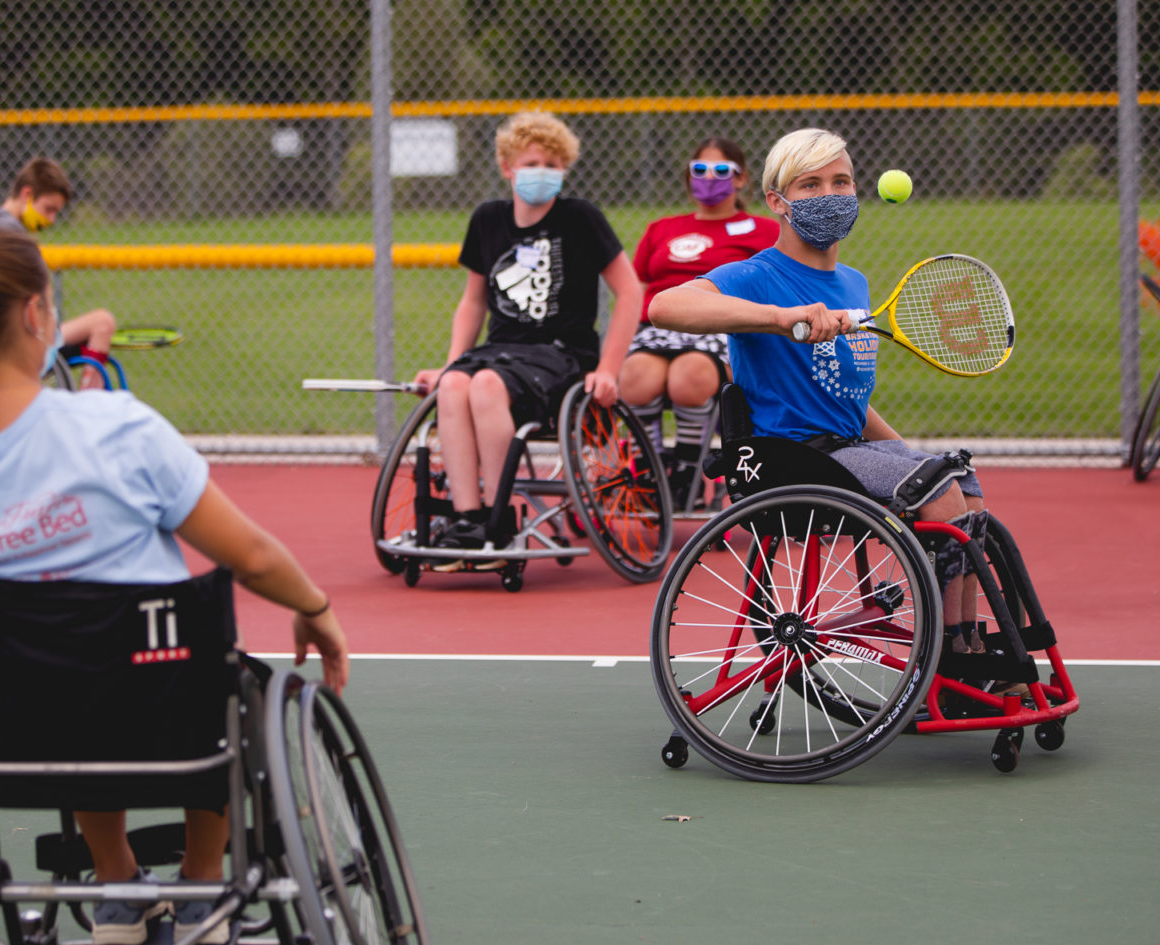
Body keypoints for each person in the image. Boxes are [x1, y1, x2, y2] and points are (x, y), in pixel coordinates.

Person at [0, 224, 348, 945]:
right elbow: (248, 553)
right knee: (206, 679)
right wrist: (315, 608)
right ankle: (201, 880)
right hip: (169, 715)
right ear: (35, 316)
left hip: (11, 732)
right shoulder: (120, 429)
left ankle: (118, 886)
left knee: (65, 683)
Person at [647, 127, 989, 656]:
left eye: (841, 182)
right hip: (790, 460)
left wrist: (906, 453)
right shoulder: (755, 275)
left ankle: (969, 640)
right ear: (777, 202)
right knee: (938, 489)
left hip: (845, 453)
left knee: (963, 484)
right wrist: (779, 319)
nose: (829, 195)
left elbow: (846, 399)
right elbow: (666, 306)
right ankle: (947, 657)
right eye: (810, 185)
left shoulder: (854, 283)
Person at [412, 112, 643, 567]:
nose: (544, 172)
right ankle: (468, 518)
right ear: (507, 167)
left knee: (485, 386)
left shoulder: (580, 218)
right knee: (456, 385)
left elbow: (630, 291)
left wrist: (609, 369)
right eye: (533, 162)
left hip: (561, 353)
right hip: (501, 351)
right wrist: (451, 363)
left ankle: (498, 522)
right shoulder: (488, 219)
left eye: (554, 165)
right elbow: (473, 302)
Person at [622, 137, 778, 507]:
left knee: (689, 376)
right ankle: (651, 472)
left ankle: (687, 477)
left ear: (740, 179)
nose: (710, 178)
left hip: (720, 330)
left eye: (721, 170)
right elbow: (637, 289)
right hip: (657, 329)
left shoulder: (762, 231)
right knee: (634, 378)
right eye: (700, 170)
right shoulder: (662, 228)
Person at [0, 156, 118, 389]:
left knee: (101, 324)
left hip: (28, 336)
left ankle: (87, 404)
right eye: (48, 209)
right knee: (103, 323)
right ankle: (88, 410)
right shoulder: (8, 233)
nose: (51, 219)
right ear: (27, 195)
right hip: (23, 343)